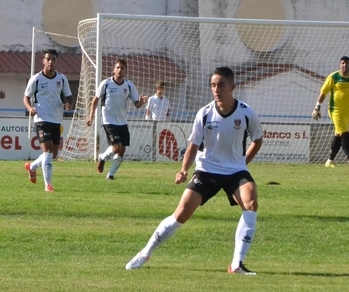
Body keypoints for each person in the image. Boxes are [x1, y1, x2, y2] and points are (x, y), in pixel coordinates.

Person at [125, 67, 263, 275]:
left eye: (221, 85)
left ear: (232, 87)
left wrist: (243, 163)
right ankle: (145, 252)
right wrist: (183, 170)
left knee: (250, 203)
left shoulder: (246, 112)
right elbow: (193, 146)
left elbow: (257, 140)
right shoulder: (205, 113)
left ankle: (237, 264)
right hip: (207, 171)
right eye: (213, 85)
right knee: (181, 214)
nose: (216, 90)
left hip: (235, 172)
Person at [85, 59, 147, 180]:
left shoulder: (129, 85)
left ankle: (111, 174)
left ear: (125, 71)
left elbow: (137, 104)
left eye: (122, 68)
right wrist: (91, 115)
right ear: (114, 70)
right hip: (108, 120)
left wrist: (142, 102)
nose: (120, 70)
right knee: (117, 147)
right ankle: (102, 157)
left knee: (122, 149)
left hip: (122, 121)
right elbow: (95, 99)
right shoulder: (106, 83)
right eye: (118, 67)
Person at [23, 49, 73, 192]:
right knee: (48, 150)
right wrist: (30, 108)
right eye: (48, 59)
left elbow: (69, 96)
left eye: (53, 59)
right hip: (41, 118)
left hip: (56, 119)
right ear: (43, 61)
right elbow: (26, 97)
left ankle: (32, 167)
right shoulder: (36, 79)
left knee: (53, 154)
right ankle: (48, 185)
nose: (50, 62)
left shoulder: (62, 79)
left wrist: (69, 104)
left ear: (57, 61)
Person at [311, 56, 349, 168]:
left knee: (338, 135)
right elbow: (323, 92)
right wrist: (317, 107)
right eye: (342, 63)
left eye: (347, 63)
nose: (344, 65)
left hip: (348, 112)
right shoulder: (333, 77)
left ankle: (329, 161)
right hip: (335, 110)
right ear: (340, 65)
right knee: (345, 133)